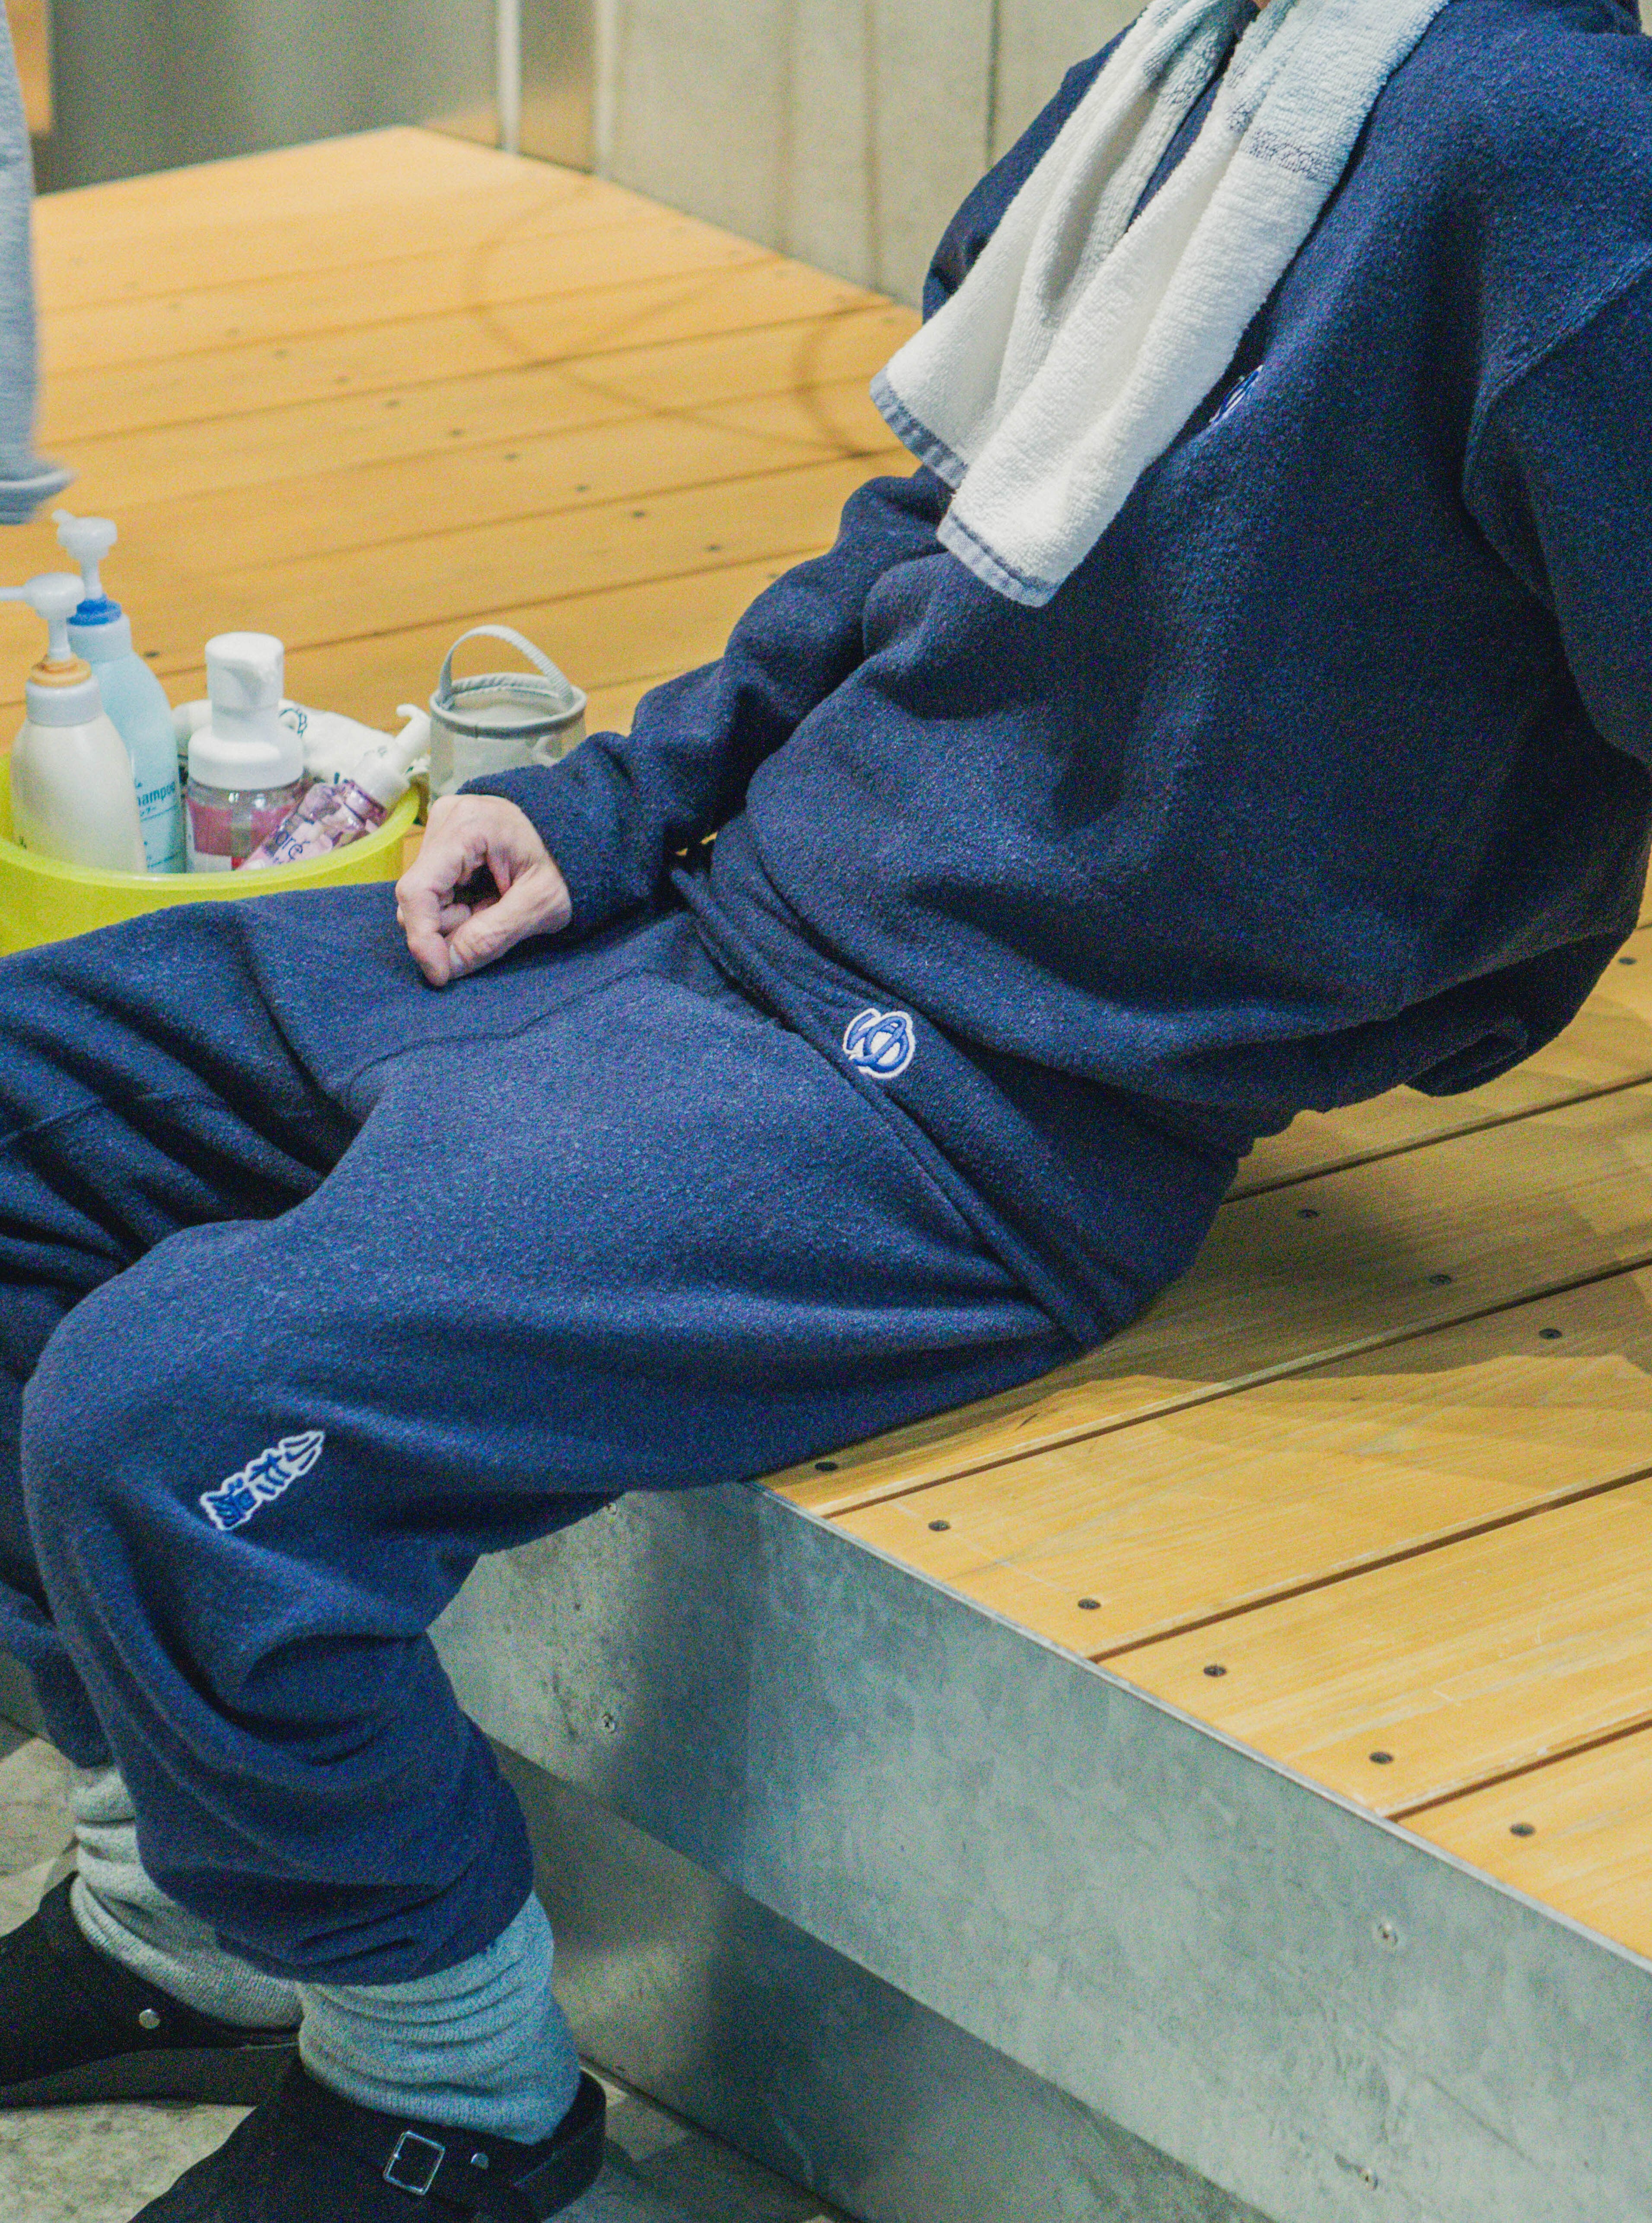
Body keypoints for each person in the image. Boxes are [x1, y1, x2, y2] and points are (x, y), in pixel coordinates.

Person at [2, 0, 1650, 2215]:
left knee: (174, 1416)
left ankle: (449, 2094)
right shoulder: (1216, 49)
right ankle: (179, 1912)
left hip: (977, 1096)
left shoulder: (1555, 156)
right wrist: (613, 796)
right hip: (720, 915)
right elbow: (942, 510)